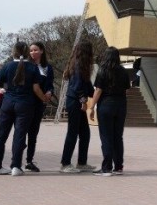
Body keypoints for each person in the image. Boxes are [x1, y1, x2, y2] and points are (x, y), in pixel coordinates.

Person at [0, 41, 46, 176]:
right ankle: (16, 166)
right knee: (20, 135)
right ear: (26, 52)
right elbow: (36, 88)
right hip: (25, 104)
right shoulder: (33, 67)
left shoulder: (8, 66)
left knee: (1, 135)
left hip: (8, 103)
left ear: (14, 52)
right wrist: (44, 98)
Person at [87, 46, 129, 176]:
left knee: (106, 137)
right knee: (118, 136)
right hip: (121, 105)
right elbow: (126, 90)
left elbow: (98, 90)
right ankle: (118, 166)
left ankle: (106, 167)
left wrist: (92, 106)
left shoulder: (103, 71)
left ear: (105, 57)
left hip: (105, 105)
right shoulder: (123, 71)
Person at [59, 39, 95, 173]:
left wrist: (97, 94)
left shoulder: (80, 65)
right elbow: (78, 86)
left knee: (85, 133)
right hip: (75, 101)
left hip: (76, 100)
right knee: (73, 133)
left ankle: (81, 162)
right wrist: (84, 101)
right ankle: (65, 163)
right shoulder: (79, 65)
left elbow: (88, 86)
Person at [24, 41, 55, 173]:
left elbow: (50, 84)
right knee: (22, 132)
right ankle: (16, 161)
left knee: (33, 133)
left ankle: (29, 160)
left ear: (42, 51)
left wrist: (49, 92)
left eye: (35, 50)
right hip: (26, 102)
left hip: (39, 104)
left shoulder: (48, 67)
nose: (33, 53)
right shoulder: (26, 66)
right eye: (31, 50)